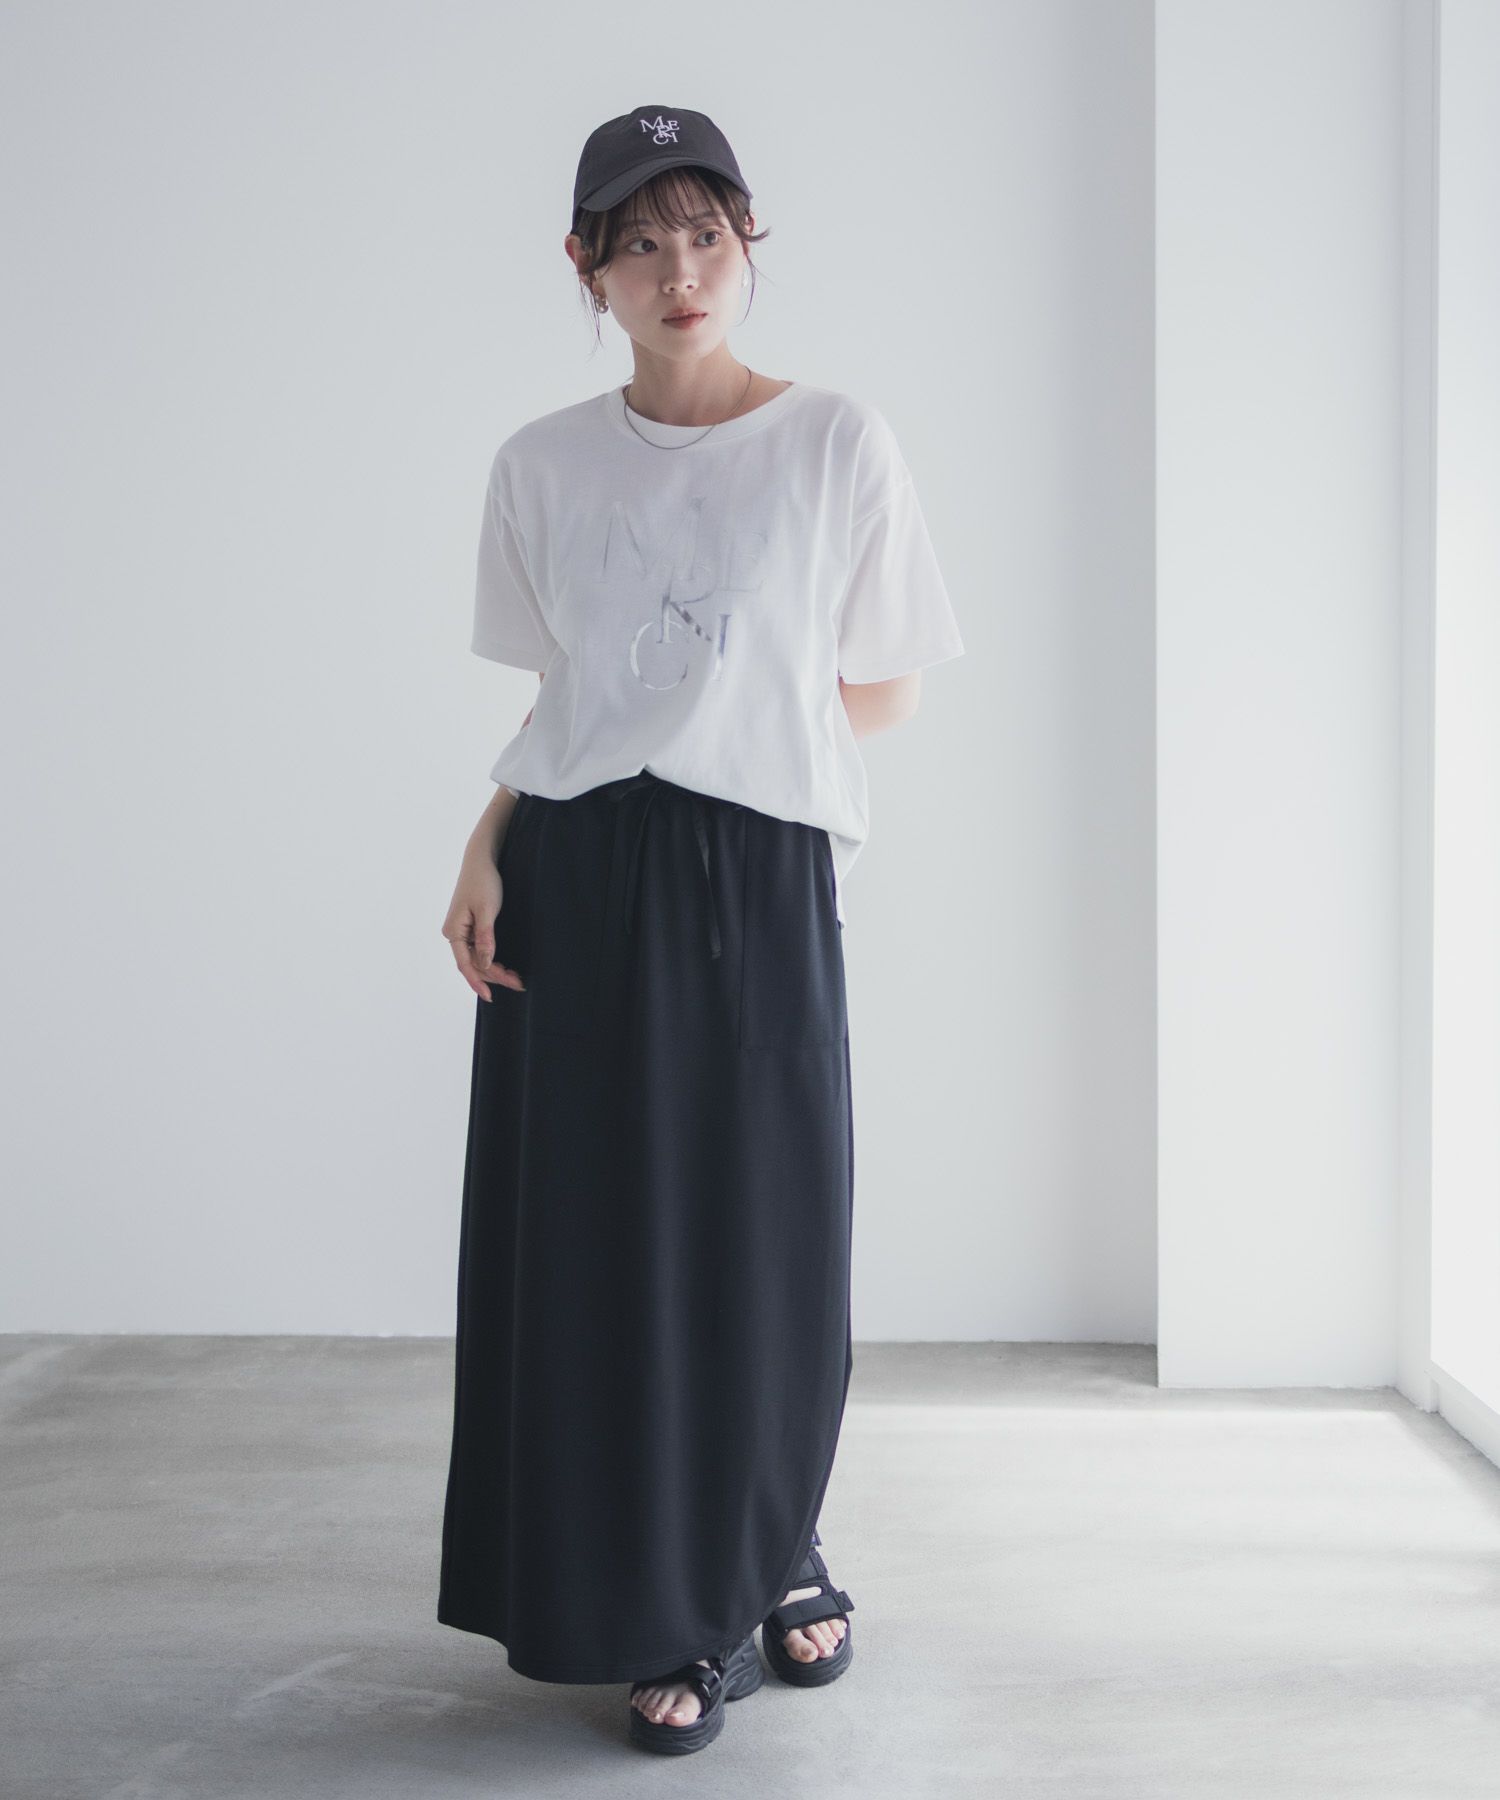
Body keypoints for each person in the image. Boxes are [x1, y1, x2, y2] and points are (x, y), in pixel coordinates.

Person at [437, 104, 965, 1756]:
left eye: (710, 235)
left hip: (757, 867)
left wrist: (747, 748)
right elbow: (568, 701)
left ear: (748, 245)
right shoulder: (541, 464)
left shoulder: (834, 442)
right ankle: (673, 1603)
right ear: (585, 265)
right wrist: (485, 839)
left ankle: (770, 1544)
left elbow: (885, 685)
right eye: (642, 241)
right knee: (602, 1236)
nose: (683, 269)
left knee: (765, 1230)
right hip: (580, 866)